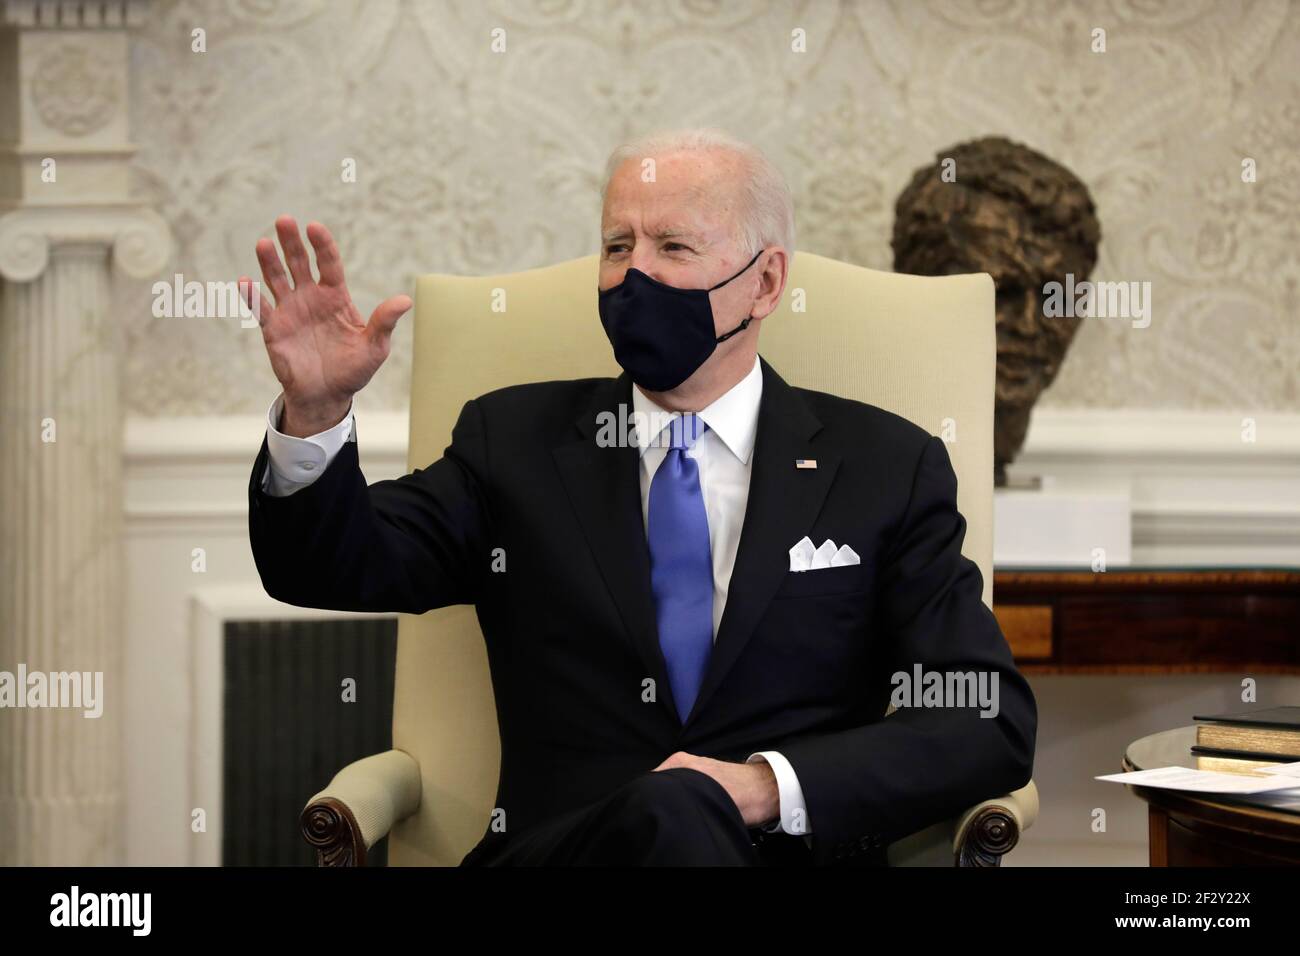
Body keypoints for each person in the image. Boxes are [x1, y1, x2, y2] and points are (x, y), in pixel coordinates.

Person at [242, 127, 1037, 866]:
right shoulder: (515, 443)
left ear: (765, 281)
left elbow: (982, 718)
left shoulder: (882, 467)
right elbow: (335, 566)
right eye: (617, 246)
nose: (633, 274)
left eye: (673, 247)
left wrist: (763, 787)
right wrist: (314, 412)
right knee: (670, 814)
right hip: (564, 859)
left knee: (684, 810)